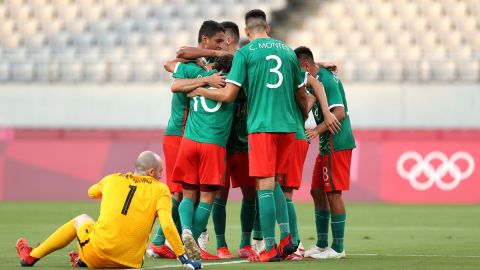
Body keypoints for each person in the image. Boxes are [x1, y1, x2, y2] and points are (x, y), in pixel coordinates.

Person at [189, 9, 322, 262]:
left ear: (247, 31)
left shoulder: (245, 53)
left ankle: (270, 247)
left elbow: (229, 95)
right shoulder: (286, 51)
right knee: (277, 185)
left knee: (264, 185)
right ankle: (288, 239)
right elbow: (300, 94)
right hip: (287, 128)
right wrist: (303, 115)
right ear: (268, 28)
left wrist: (200, 91)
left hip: (261, 127)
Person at [15, 151, 202, 270]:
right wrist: (183, 258)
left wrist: (108, 194)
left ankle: (31, 257)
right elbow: (168, 224)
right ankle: (81, 259)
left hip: (99, 255)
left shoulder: (112, 179)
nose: (162, 176)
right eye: (161, 172)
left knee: (81, 219)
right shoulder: (160, 189)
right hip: (130, 263)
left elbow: (90, 192)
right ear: (151, 172)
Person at [148, 20, 227, 260]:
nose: (221, 46)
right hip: (180, 134)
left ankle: (164, 242)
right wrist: (206, 77)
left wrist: (207, 68)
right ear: (205, 41)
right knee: (180, 192)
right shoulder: (189, 62)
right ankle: (161, 241)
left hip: (187, 134)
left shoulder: (200, 65)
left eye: (224, 42)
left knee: (182, 192)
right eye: (218, 41)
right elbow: (175, 59)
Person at [295, 46, 356, 259]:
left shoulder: (327, 81)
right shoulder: (317, 76)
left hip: (337, 143)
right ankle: (321, 244)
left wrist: (316, 130)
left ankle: (338, 248)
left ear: (304, 66)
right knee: (317, 191)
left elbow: (340, 112)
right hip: (326, 145)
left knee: (333, 192)